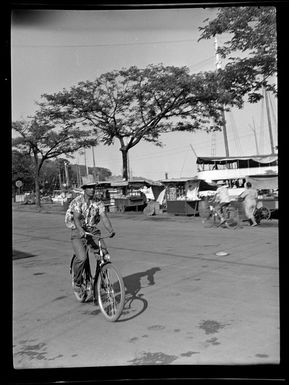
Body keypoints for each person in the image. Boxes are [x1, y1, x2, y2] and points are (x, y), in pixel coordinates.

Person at [65, 182, 115, 293]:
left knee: (104, 254)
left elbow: (104, 217)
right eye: (89, 187)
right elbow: (76, 218)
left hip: (92, 230)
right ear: (84, 189)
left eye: (93, 187)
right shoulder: (77, 202)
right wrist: (81, 230)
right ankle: (77, 281)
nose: (92, 189)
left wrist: (110, 229)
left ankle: (101, 280)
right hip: (77, 231)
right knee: (82, 258)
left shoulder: (98, 202)